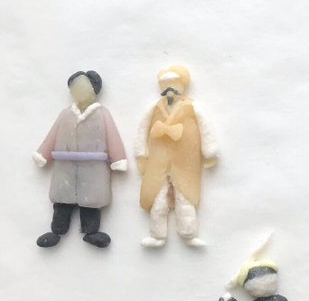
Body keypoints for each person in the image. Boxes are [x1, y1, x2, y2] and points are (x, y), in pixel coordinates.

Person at [32, 70, 127, 248]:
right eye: (74, 88)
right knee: (62, 199)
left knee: (91, 200)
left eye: (82, 87)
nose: (78, 91)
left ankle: (91, 232)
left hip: (94, 167)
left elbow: (112, 136)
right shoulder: (66, 113)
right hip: (65, 165)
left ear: (94, 90)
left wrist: (118, 158)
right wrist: (43, 154)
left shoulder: (102, 114)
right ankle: (57, 230)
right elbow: (52, 135)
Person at [134, 66, 218, 247]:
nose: (169, 88)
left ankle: (189, 233)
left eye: (173, 83)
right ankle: (157, 235)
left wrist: (209, 150)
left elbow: (205, 127)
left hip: (185, 160)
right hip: (158, 160)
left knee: (185, 197)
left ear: (182, 85)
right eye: (165, 84)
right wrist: (141, 153)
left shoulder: (193, 107)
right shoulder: (154, 108)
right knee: (157, 198)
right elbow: (142, 129)